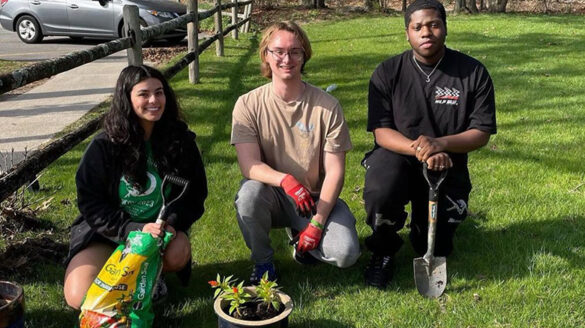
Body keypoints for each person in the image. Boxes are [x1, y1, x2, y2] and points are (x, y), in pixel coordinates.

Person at [362, 0, 497, 289]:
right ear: (407, 33)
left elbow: (481, 132)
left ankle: (425, 233)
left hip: (448, 162)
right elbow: (381, 133)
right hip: (396, 156)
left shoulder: (473, 73)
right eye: (417, 27)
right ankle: (383, 250)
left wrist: (440, 145)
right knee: (380, 188)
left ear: (445, 28)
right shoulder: (387, 72)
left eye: (434, 24)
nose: (426, 32)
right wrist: (422, 150)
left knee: (437, 246)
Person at [63, 65, 208, 309]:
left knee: (177, 253)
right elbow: (91, 202)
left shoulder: (180, 140)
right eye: (143, 94)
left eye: (159, 92)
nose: (154, 100)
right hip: (108, 235)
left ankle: (153, 276)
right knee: (78, 296)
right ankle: (130, 284)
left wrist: (170, 222)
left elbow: (195, 194)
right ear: (127, 99)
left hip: (160, 236)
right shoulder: (104, 146)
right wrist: (132, 229)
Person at [231, 21, 361, 284]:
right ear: (265, 55)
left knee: (346, 254)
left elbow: (336, 170)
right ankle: (263, 262)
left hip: (314, 199)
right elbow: (249, 165)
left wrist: (318, 221)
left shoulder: (327, 106)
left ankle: (305, 243)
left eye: (295, 52)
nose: (286, 59)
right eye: (278, 51)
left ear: (305, 56)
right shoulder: (248, 104)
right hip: (271, 195)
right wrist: (286, 180)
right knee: (248, 195)